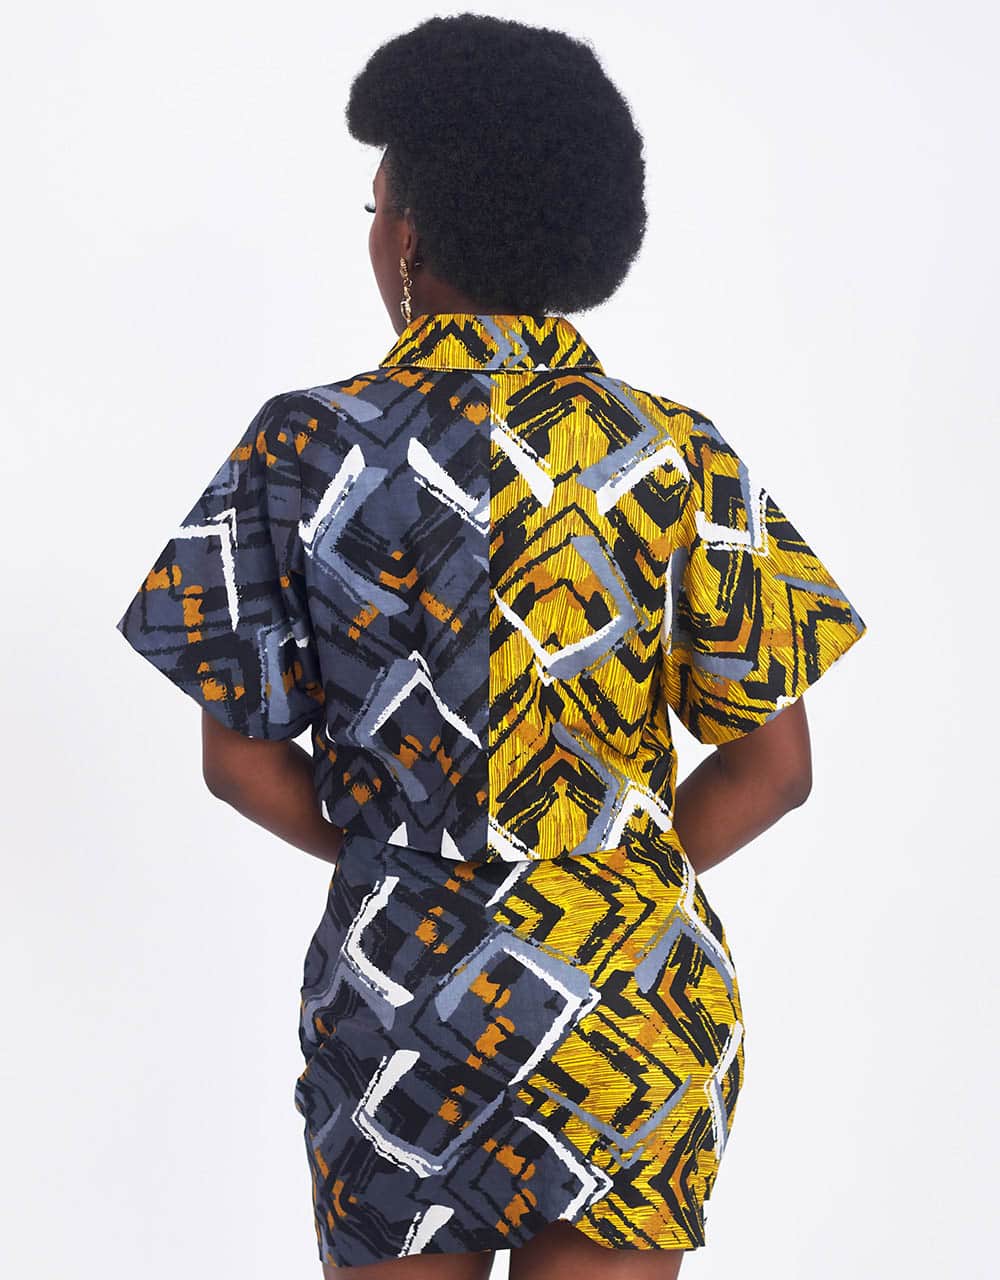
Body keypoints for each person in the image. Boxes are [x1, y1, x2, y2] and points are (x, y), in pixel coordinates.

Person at [114, 13, 868, 1280]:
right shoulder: (676, 452)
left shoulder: (300, 447)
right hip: (631, 1003)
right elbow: (775, 769)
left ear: (407, 237)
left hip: (401, 1003)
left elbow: (236, 765)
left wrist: (411, 866)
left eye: (374, 208)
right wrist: (596, 882)